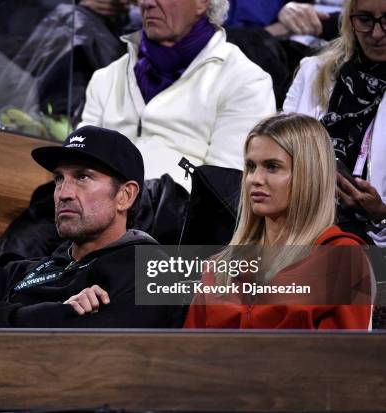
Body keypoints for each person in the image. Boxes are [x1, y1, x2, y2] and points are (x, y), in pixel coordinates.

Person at [0, 125, 184, 327]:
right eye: (58, 179)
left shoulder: (155, 273)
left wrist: (7, 316)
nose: (63, 194)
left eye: (83, 177)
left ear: (125, 195)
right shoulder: (17, 271)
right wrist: (57, 313)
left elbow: (101, 358)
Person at [184, 113, 373, 329]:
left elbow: (345, 358)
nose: (255, 179)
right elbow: (186, 354)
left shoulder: (341, 258)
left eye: (272, 167)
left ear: (308, 174)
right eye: (251, 167)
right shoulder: (218, 268)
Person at [79, 0, 276, 193]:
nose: (147, 3)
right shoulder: (107, 77)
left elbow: (225, 192)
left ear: (201, 3)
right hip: (98, 216)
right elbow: (78, 164)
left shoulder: (244, 81)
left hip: (181, 221)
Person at [283, 0, 386, 246]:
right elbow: (280, 151)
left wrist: (381, 213)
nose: (376, 33)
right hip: (299, 223)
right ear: (350, 20)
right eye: (364, 20)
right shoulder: (312, 72)